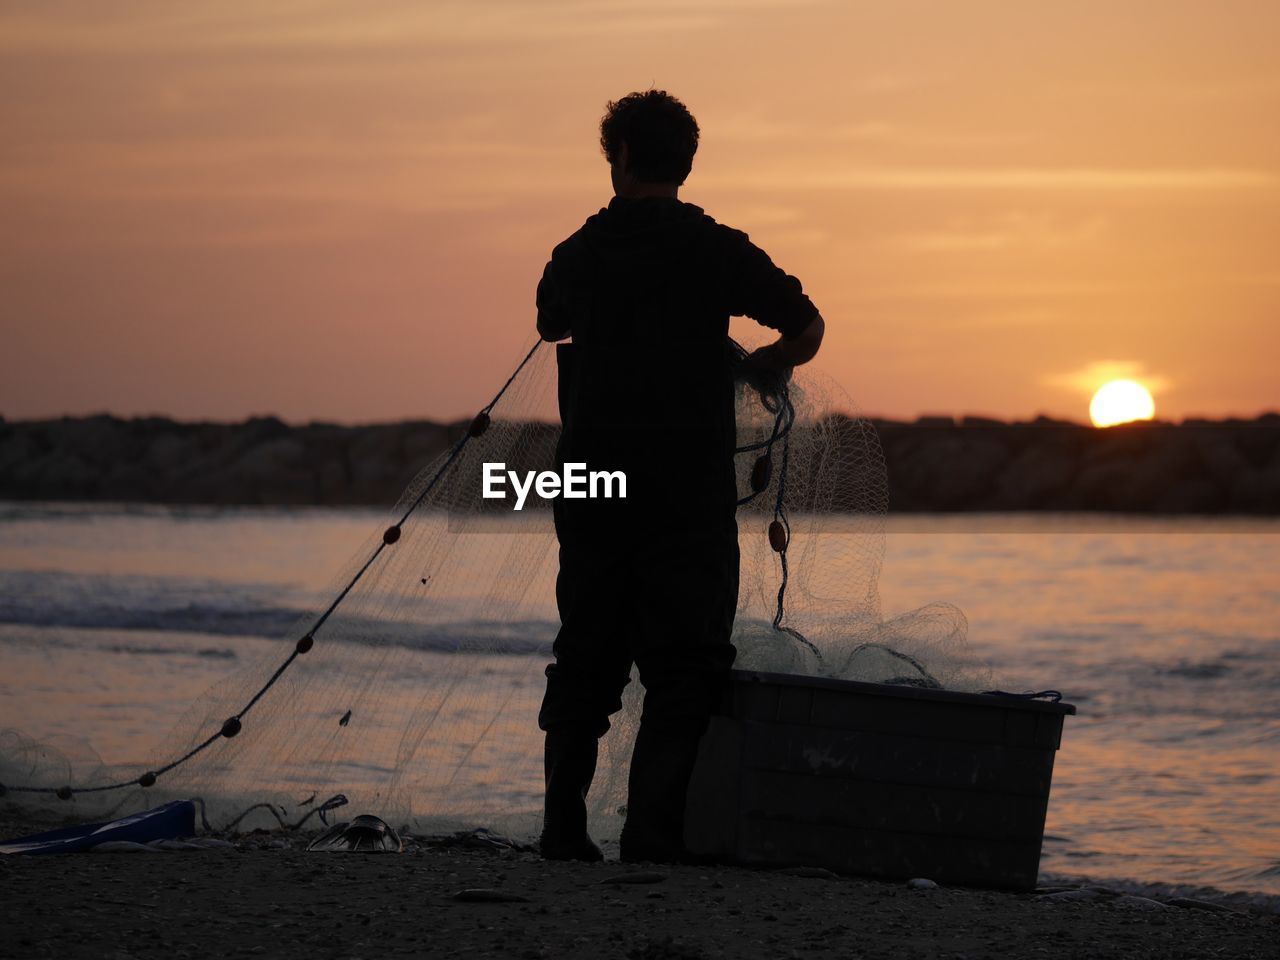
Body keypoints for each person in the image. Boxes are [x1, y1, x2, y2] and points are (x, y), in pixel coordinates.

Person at [535, 89, 825, 863]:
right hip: (685, 487)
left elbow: (549, 320)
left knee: (586, 653)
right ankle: (652, 836)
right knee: (686, 662)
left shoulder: (577, 252)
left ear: (619, 156)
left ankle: (561, 833)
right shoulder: (718, 249)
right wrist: (764, 363)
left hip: (591, 485)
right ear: (686, 162)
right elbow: (807, 327)